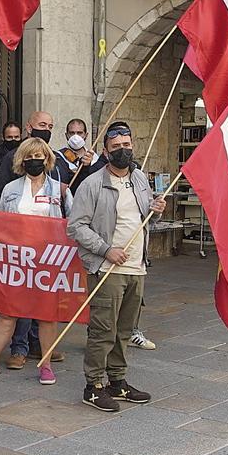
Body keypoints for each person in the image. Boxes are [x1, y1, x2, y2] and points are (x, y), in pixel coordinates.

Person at [65, 122, 164, 412]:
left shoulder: (140, 178)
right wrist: (107, 250)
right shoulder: (92, 184)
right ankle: (94, 386)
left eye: (127, 145)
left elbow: (145, 219)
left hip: (137, 267)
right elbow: (76, 227)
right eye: (116, 147)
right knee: (103, 329)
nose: (123, 151)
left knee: (124, 329)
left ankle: (117, 380)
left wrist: (156, 211)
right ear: (106, 152)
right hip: (107, 269)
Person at [0, 137, 72, 387]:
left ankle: (46, 365)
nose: (34, 161)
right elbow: (0, 224)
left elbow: (72, 221)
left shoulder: (59, 190)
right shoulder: (11, 189)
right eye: (29, 157)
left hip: (48, 261)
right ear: (21, 161)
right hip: (17, 261)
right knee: (8, 313)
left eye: (39, 156)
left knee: (47, 315)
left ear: (47, 160)